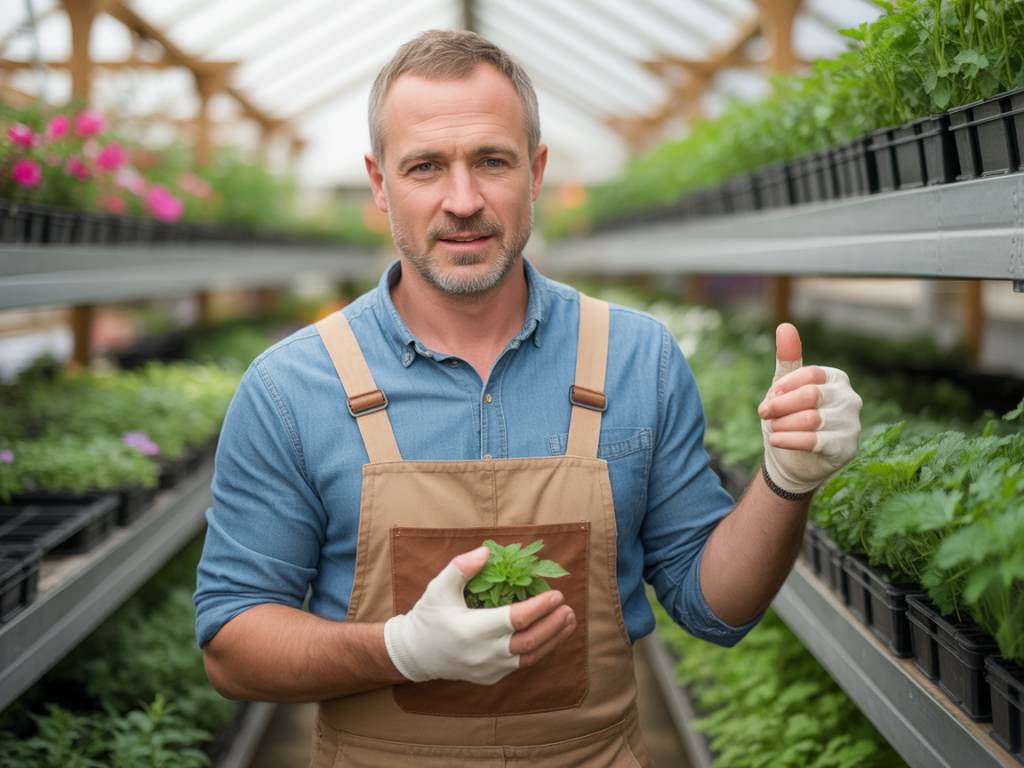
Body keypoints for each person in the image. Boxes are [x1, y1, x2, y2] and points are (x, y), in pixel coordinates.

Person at [194, 30, 862, 767]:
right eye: (425, 166)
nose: (463, 201)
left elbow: (715, 609)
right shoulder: (292, 387)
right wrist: (401, 649)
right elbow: (233, 646)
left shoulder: (636, 359)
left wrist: (786, 482)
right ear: (379, 183)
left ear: (535, 171)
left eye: (492, 160)